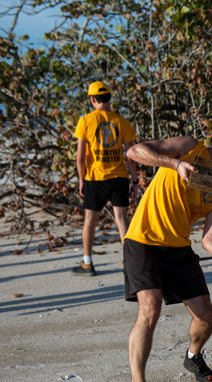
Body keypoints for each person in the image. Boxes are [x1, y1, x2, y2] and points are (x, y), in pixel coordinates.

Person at [121, 120, 212, 382]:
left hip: (179, 248)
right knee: (150, 308)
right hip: (143, 240)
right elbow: (134, 151)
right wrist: (173, 164)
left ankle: (193, 356)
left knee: (206, 317)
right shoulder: (190, 147)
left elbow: (209, 239)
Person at [72, 81, 138, 276]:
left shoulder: (85, 121)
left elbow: (80, 155)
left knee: (90, 221)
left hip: (95, 178)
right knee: (121, 219)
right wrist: (134, 181)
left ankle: (87, 263)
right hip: (119, 177)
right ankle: (129, 263)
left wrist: (81, 179)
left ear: (92, 100)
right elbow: (131, 155)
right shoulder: (122, 122)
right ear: (109, 99)